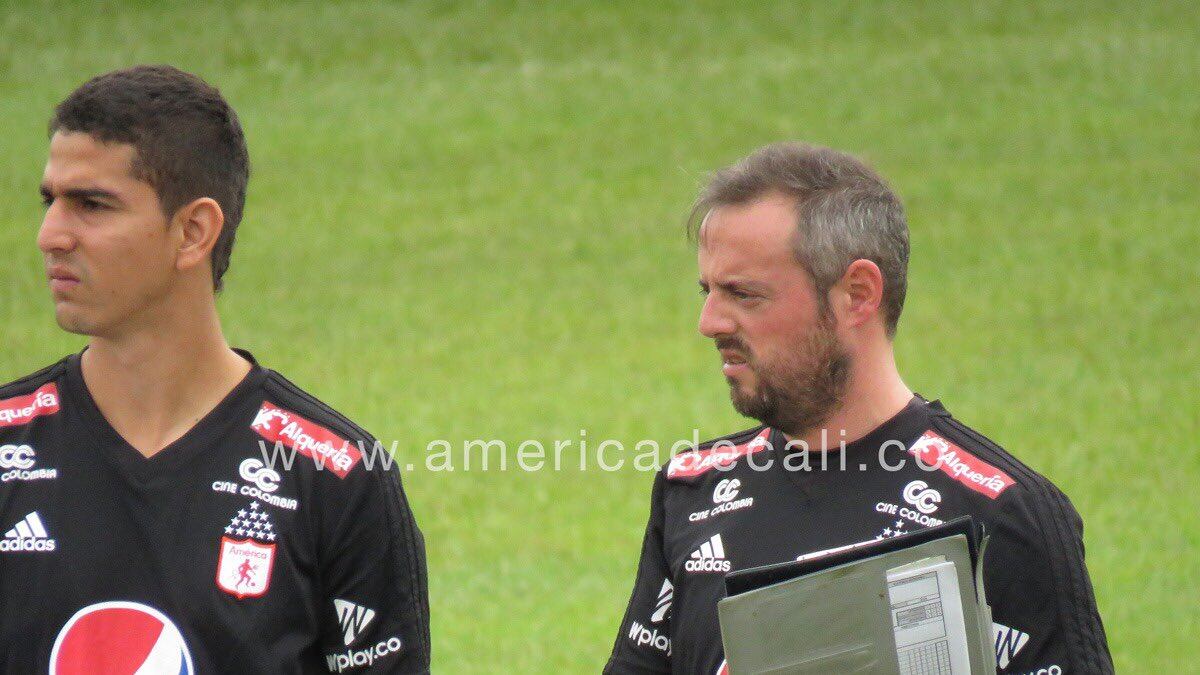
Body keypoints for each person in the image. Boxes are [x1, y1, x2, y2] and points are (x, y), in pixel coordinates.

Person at [604, 143, 1112, 674]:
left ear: (858, 294)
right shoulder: (693, 494)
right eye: (707, 291)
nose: (710, 323)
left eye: (744, 294)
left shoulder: (1001, 517)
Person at [0, 65, 429, 673]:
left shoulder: (332, 478)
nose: (50, 235)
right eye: (50, 201)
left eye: (91, 205)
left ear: (193, 231)